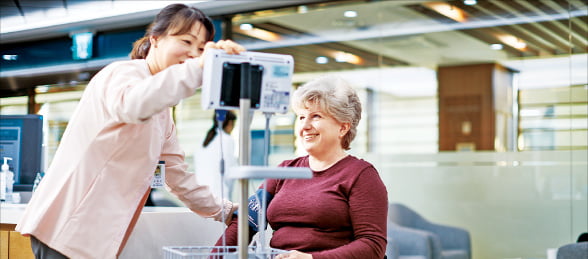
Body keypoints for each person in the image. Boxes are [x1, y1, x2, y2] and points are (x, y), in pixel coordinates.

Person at [16, 4, 245, 259]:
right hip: (66, 229)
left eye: (202, 49)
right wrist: (198, 67)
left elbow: (177, 176)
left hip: (92, 238)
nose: (193, 54)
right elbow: (133, 105)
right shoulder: (122, 74)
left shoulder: (163, 113)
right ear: (155, 40)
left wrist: (226, 211)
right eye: (186, 41)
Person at [215, 75, 388, 259]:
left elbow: (373, 245)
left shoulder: (361, 175)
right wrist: (213, 257)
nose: (304, 125)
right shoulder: (284, 170)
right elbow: (246, 223)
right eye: (301, 117)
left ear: (343, 128)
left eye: (316, 116)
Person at [194, 110, 238, 200]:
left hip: (201, 193)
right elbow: (228, 170)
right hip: (219, 194)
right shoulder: (227, 140)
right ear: (230, 123)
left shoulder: (205, 139)